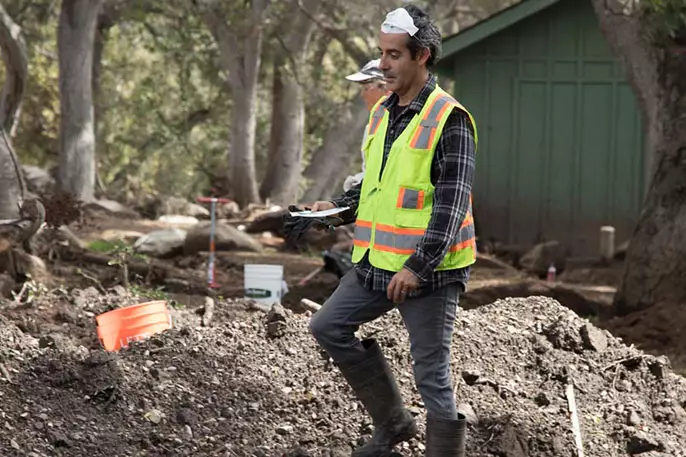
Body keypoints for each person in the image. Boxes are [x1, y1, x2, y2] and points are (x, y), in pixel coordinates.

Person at [307, 5, 477, 457]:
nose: (383, 64)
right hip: (376, 264)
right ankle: (394, 424)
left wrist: (418, 268)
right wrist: (337, 211)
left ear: (421, 56)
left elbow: (451, 205)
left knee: (432, 374)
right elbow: (378, 189)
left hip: (430, 273)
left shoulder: (450, 119)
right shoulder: (383, 112)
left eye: (394, 55)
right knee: (327, 326)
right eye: (382, 53)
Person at [343, 59, 389, 192]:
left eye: (366, 88)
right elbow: (371, 174)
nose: (362, 95)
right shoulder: (371, 128)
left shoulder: (409, 125)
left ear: (386, 89)